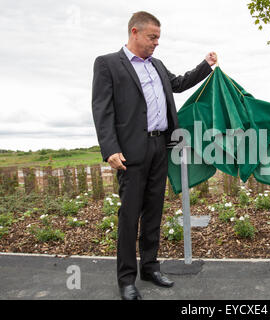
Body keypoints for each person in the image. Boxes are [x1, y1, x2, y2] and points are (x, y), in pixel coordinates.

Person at [91, 11, 217, 300]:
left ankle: (150, 267)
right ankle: (126, 279)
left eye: (158, 38)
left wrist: (205, 66)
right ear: (134, 32)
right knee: (129, 215)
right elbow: (102, 109)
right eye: (152, 37)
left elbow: (179, 83)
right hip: (130, 152)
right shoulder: (108, 64)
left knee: (153, 213)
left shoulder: (157, 65)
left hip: (159, 147)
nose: (156, 43)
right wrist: (109, 148)